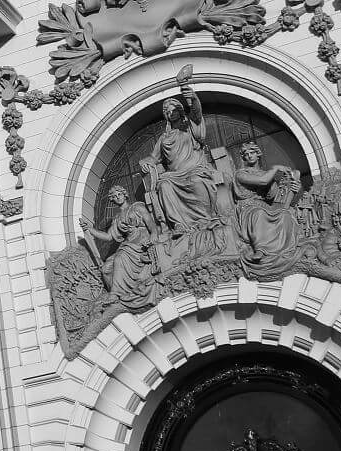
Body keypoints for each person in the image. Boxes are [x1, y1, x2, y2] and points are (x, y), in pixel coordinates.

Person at [140, 67, 237, 257]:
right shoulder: (165, 138)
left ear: (180, 110)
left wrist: (189, 94)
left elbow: (197, 113)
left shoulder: (190, 128)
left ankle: (207, 218)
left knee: (196, 181)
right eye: (167, 111)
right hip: (174, 175)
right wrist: (145, 161)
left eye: (174, 109)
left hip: (195, 170)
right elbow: (154, 157)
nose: (171, 112)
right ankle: (178, 225)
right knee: (164, 184)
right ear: (166, 116)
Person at [81, 185, 162, 310]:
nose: (117, 198)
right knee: (106, 268)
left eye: (119, 194)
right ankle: (119, 294)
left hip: (141, 239)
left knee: (120, 257)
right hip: (129, 242)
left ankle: (115, 294)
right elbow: (108, 237)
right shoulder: (117, 218)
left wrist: (154, 235)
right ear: (112, 201)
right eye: (114, 197)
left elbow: (151, 223)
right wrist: (89, 229)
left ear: (125, 194)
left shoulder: (137, 207)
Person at [231, 141, 305, 269]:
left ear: (258, 154)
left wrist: (293, 189)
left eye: (252, 152)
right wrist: (275, 168)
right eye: (246, 154)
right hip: (248, 208)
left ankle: (286, 250)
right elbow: (262, 181)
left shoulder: (267, 175)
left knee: (285, 214)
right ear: (243, 158)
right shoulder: (241, 174)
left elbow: (277, 198)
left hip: (265, 206)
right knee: (259, 214)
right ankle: (261, 249)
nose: (249, 156)